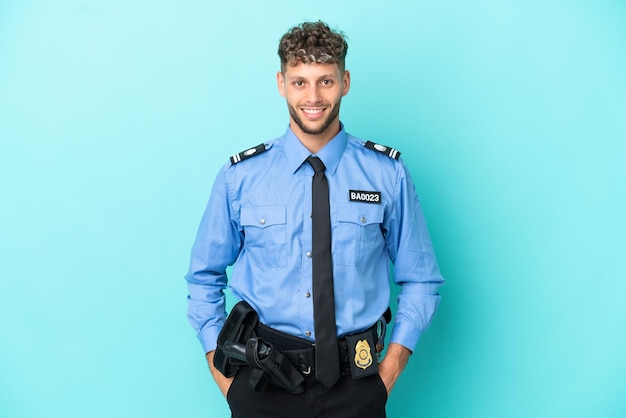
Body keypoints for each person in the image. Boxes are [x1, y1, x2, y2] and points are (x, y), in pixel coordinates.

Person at [185, 20, 444, 417]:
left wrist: (386, 377)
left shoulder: (386, 174)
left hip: (356, 385)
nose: (313, 96)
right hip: (261, 384)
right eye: (300, 81)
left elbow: (422, 279)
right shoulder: (241, 178)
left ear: (346, 82)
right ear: (281, 83)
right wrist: (228, 383)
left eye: (326, 81)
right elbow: (203, 278)